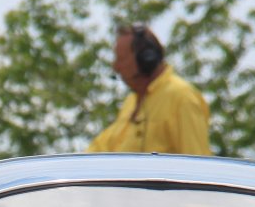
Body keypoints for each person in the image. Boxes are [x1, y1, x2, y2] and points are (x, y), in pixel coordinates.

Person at [87, 23, 211, 156]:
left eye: (121, 59)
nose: (116, 67)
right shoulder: (130, 102)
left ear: (146, 59)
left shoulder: (182, 97)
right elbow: (101, 148)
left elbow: (196, 161)